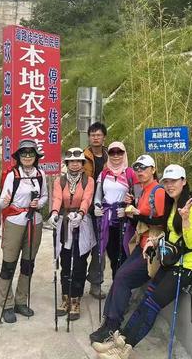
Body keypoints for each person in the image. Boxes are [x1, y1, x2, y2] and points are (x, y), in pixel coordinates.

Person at [91, 164, 192, 358]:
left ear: (184, 182)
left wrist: (187, 220)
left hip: (186, 268)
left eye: (174, 181)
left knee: (151, 305)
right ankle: (120, 340)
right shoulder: (174, 205)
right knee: (146, 300)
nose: (170, 185)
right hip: (171, 262)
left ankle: (123, 349)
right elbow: (172, 236)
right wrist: (155, 243)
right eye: (167, 181)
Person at [89, 154, 169, 345]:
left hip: (152, 250)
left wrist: (137, 213)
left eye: (144, 168)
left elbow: (161, 220)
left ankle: (112, 325)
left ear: (153, 169)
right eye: (137, 168)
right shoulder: (143, 190)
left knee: (123, 278)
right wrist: (130, 208)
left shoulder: (158, 191)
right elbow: (140, 217)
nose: (140, 172)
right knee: (119, 276)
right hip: (141, 246)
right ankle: (108, 322)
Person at [0, 139, 48, 323]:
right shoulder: (12, 175)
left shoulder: (41, 174)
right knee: (9, 263)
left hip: (35, 221)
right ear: (18, 157)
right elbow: (2, 202)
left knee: (28, 263)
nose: (27, 157)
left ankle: (20, 300)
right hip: (15, 221)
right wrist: (6, 201)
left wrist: (38, 203)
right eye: (24, 154)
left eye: (31, 154)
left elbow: (44, 197)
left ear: (36, 157)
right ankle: (6, 303)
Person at [49, 147, 96, 321]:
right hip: (64, 222)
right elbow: (57, 198)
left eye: (78, 161)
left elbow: (87, 199)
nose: (75, 164)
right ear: (67, 163)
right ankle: (65, 297)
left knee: (79, 261)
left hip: (81, 222)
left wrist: (81, 213)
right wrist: (54, 212)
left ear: (82, 164)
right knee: (65, 259)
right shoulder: (59, 181)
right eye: (71, 161)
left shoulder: (88, 181)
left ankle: (76, 299)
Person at [94, 142, 138, 279]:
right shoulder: (104, 173)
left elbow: (139, 198)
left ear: (124, 153)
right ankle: (116, 287)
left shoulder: (130, 173)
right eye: (112, 152)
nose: (116, 155)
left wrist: (127, 210)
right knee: (112, 255)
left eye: (119, 152)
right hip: (107, 219)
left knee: (124, 254)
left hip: (125, 220)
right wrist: (96, 206)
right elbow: (98, 195)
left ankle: (122, 288)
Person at [84, 121, 109, 299]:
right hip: (86, 208)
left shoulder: (112, 155)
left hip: (106, 208)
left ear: (104, 137)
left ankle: (96, 284)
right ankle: (74, 280)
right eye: (93, 134)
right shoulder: (83, 156)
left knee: (100, 248)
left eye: (99, 134)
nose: (95, 137)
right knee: (82, 246)